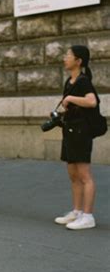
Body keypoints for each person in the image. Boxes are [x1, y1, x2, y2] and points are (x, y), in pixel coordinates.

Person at [54, 45, 99, 230]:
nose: (65, 58)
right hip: (70, 130)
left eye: (68, 55)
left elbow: (92, 101)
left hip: (82, 132)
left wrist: (71, 99)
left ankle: (88, 216)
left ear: (78, 61)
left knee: (84, 175)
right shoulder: (70, 81)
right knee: (73, 174)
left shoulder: (83, 81)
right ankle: (77, 211)